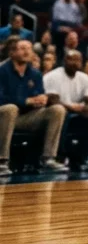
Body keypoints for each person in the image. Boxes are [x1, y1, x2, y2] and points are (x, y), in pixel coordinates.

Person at [0, 39, 68, 174]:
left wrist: (42, 100)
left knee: (57, 110)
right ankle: (2, 160)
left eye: (29, 49)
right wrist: (26, 101)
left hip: (26, 117)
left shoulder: (35, 73)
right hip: (4, 115)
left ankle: (48, 158)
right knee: (10, 109)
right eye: (22, 48)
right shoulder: (2, 70)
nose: (27, 52)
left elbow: (38, 94)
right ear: (12, 53)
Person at [43, 49, 88, 171]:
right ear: (64, 61)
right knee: (62, 113)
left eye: (78, 60)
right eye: (71, 59)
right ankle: (60, 157)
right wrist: (72, 107)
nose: (75, 63)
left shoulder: (84, 78)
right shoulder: (53, 76)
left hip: (77, 114)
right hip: (58, 113)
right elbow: (52, 101)